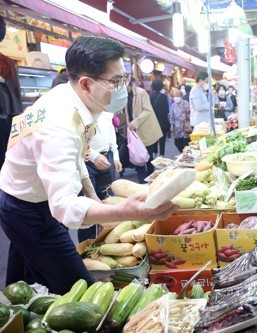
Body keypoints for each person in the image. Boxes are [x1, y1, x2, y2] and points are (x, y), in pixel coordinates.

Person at [0, 36, 178, 294]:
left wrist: (93, 195)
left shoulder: (71, 99)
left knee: (25, 279)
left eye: (123, 80)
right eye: (115, 81)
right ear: (86, 83)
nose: (122, 89)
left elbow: (75, 155)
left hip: (32, 195)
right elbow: (63, 206)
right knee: (77, 285)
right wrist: (126, 212)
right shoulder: (58, 126)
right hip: (25, 206)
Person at [78, 112, 122, 242]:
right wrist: (93, 155)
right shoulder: (81, 111)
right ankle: (88, 246)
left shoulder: (107, 110)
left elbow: (111, 134)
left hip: (106, 157)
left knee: (108, 201)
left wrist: (115, 156)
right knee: (88, 206)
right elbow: (77, 137)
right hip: (86, 159)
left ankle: (108, 241)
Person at [125, 78, 162, 183]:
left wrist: (135, 122)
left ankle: (151, 180)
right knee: (137, 157)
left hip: (145, 130)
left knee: (148, 157)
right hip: (133, 132)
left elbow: (148, 110)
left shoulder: (141, 92)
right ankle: (142, 182)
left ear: (129, 84)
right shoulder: (123, 96)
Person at [149, 79, 170, 156]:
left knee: (154, 138)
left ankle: (155, 154)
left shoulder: (150, 96)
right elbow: (167, 110)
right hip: (163, 121)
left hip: (153, 121)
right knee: (162, 139)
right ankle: (162, 155)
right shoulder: (164, 97)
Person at [170, 88, 191, 153]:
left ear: (181, 96)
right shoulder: (173, 106)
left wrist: (186, 116)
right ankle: (182, 154)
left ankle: (186, 157)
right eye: (174, 96)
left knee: (187, 145)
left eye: (177, 96)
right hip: (177, 128)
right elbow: (171, 117)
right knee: (178, 144)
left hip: (186, 127)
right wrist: (171, 126)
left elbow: (191, 114)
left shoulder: (186, 103)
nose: (176, 98)